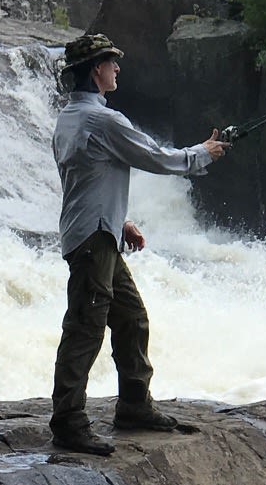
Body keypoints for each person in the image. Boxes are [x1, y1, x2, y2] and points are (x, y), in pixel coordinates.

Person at [49, 31, 226, 456]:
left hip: (98, 231)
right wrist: (203, 152)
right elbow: (156, 157)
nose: (118, 69)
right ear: (96, 71)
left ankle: (134, 406)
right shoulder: (103, 120)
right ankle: (69, 423)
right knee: (84, 330)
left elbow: (84, 177)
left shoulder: (69, 118)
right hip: (94, 239)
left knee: (131, 318)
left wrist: (120, 219)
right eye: (112, 63)